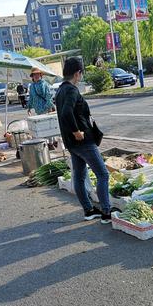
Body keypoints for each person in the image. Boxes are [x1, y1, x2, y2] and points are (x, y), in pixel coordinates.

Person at [54, 57, 111, 223]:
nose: (81, 76)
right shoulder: (71, 90)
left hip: (72, 144)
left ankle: (88, 210)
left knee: (78, 177)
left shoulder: (60, 90)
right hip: (83, 142)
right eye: (81, 73)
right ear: (77, 73)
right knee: (103, 174)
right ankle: (106, 212)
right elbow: (66, 113)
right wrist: (76, 131)